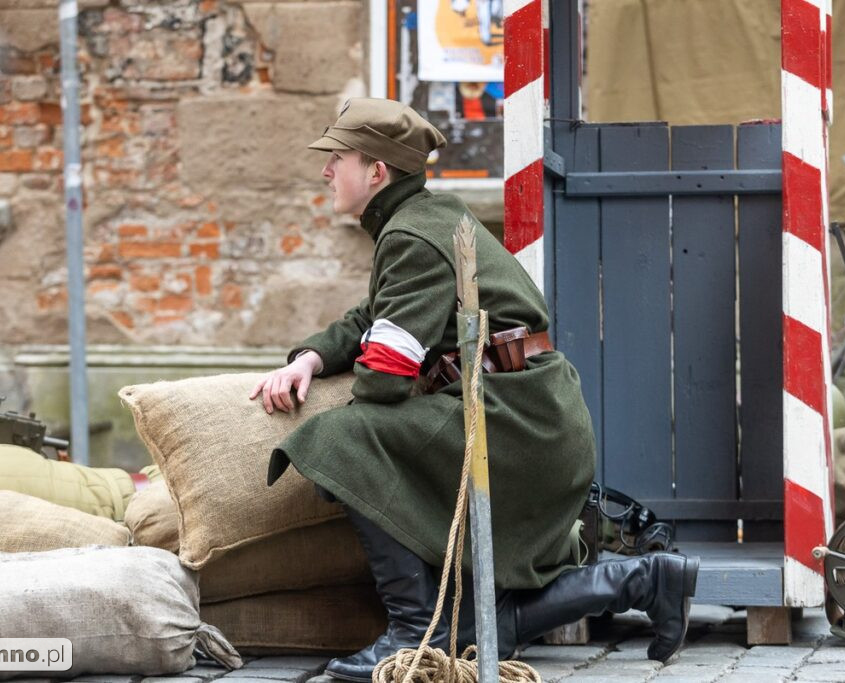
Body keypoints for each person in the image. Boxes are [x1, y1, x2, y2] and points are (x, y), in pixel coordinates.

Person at [250, 98, 699, 682]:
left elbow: (383, 382)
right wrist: (311, 358)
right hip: (529, 414)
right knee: (481, 624)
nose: (326, 170)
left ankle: (415, 633)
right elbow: (373, 315)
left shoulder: (412, 236)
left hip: (516, 422)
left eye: (338, 158)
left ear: (378, 172)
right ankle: (647, 580)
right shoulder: (424, 220)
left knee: (337, 441)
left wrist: (357, 419)